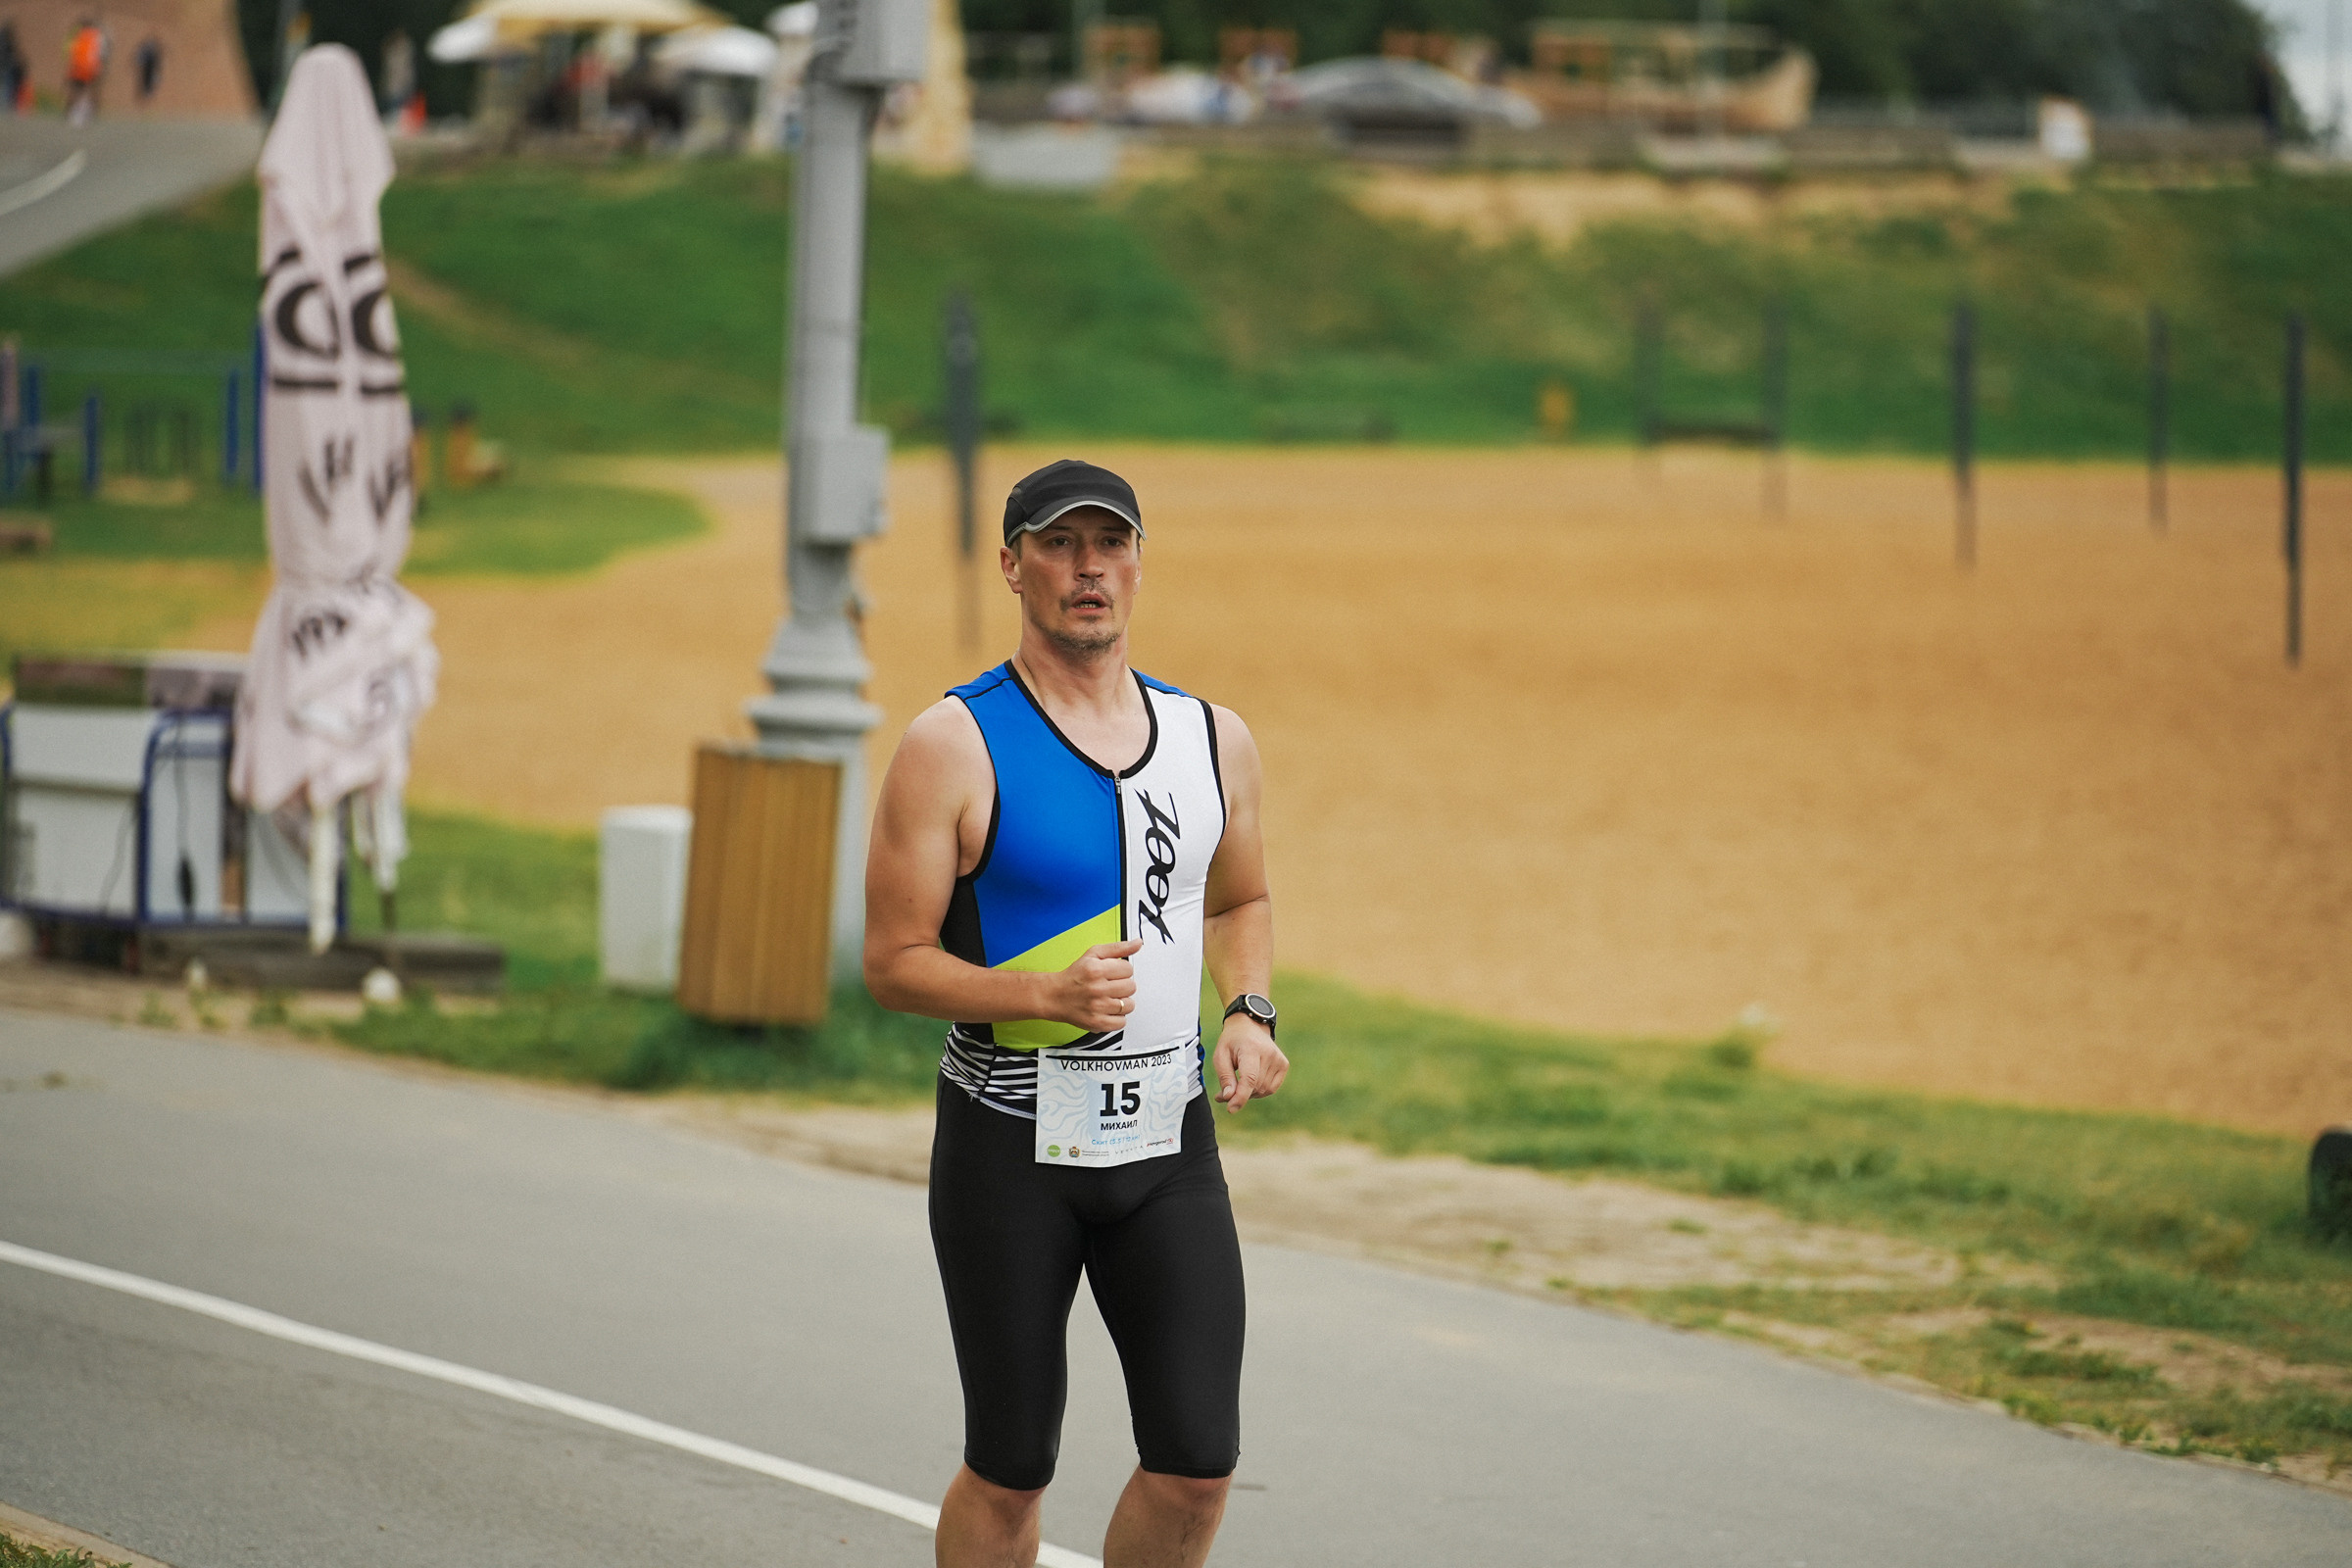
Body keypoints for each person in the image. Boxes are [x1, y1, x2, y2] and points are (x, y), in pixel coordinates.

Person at [864, 458, 1288, 1568]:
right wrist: (1039, 995)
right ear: (1013, 566)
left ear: (1140, 562)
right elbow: (893, 964)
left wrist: (1248, 1011)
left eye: (1111, 543)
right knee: (1010, 1472)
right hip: (1009, 1146)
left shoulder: (1212, 738)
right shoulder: (954, 743)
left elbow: (1239, 898)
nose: (1087, 567)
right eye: (1058, 543)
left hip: (1167, 1145)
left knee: (1197, 1465)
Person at [64, 18, 105, 124]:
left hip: (78, 67)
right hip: (91, 68)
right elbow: (100, 54)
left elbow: (71, 51)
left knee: (76, 90)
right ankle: (89, 112)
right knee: (89, 90)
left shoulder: (77, 35)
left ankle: (72, 112)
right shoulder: (97, 36)